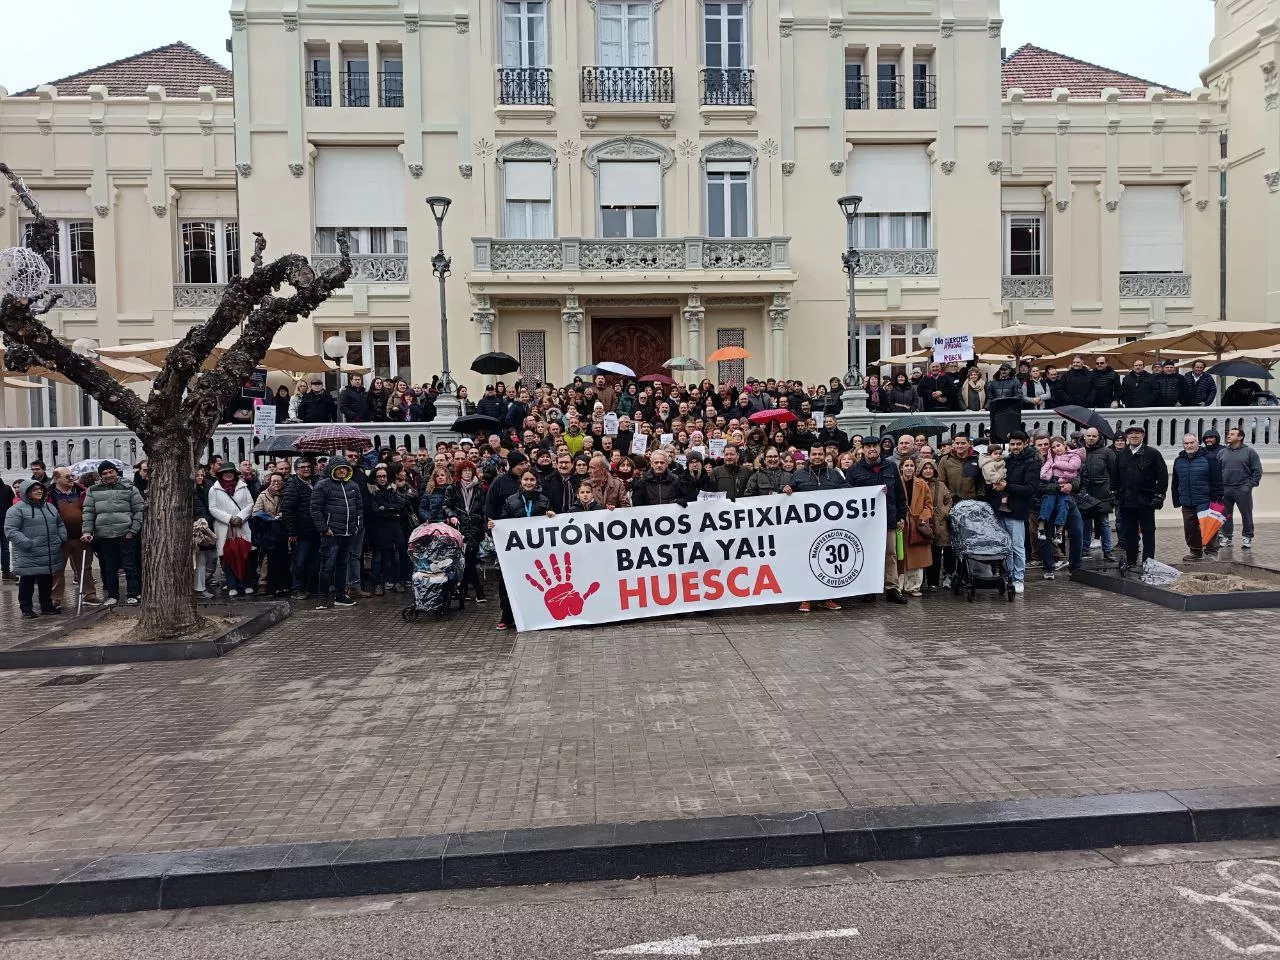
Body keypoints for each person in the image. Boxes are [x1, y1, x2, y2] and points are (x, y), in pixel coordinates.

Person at [491, 468, 557, 631]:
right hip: (515, 552)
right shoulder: (510, 500)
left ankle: (536, 616)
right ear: (521, 481)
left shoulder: (544, 500)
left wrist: (552, 517)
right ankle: (507, 617)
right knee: (508, 583)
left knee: (536, 583)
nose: (529, 483)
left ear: (537, 482)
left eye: (532, 480)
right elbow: (503, 522)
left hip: (536, 552)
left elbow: (553, 525)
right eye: (526, 480)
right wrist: (494, 526)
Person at [846, 440, 908, 604]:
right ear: (863, 450)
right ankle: (869, 588)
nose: (872, 449)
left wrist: (901, 515)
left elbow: (900, 493)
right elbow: (847, 496)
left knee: (890, 554)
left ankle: (892, 588)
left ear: (879, 448)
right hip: (865, 523)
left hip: (888, 519)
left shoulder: (891, 467)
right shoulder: (854, 470)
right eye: (868, 447)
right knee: (867, 555)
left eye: (874, 446)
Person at [81, 461, 144, 606]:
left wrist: (133, 530)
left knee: (130, 566)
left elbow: (138, 511)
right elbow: (89, 512)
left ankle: (133, 594)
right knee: (109, 568)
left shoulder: (129, 488)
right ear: (101, 475)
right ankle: (112, 595)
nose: (108, 475)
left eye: (111, 472)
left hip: (125, 534)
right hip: (104, 535)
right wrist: (87, 531)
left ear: (116, 472)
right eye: (104, 473)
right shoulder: (93, 490)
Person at [4, 479, 67, 619]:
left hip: (49, 552)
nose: (39, 491)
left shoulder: (50, 507)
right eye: (35, 490)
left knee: (46, 581)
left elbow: (59, 523)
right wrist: (27, 543)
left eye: (40, 489)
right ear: (26, 493)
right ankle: (26, 609)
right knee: (27, 583)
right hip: (28, 553)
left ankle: (46, 606)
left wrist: (61, 537)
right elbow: (11, 530)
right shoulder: (16, 509)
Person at [310, 458, 365, 609]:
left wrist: (358, 526)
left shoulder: (353, 485)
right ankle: (323, 598)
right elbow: (315, 509)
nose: (342, 471)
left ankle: (340, 596)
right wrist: (324, 528)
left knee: (342, 565)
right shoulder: (322, 485)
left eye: (345, 468)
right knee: (327, 566)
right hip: (331, 533)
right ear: (333, 469)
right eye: (339, 468)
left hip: (349, 532)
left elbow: (359, 507)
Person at [1115, 425, 1168, 575]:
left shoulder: (1153, 454)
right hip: (1127, 502)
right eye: (1130, 434)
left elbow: (1163, 476)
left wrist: (1159, 496)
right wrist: (1116, 496)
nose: (1134, 436)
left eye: (1137, 433)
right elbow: (1116, 478)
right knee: (1130, 533)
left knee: (1148, 532)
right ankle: (1131, 561)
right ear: (1127, 437)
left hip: (1146, 501)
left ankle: (1148, 561)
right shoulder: (1122, 455)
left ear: (1143, 436)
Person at [47, 467, 99, 604]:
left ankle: (90, 594)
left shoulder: (83, 492)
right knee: (57, 569)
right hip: (59, 539)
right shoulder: (49, 494)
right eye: (67, 476)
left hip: (81, 537)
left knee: (85, 567)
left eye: (71, 476)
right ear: (56, 479)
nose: (71, 478)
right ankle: (56, 598)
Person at [1172, 433, 1224, 561]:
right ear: (1183, 444)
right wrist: (1177, 499)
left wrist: (1216, 498)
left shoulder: (1209, 458)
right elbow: (1175, 482)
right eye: (1186, 443)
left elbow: (1217, 480)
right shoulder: (1179, 461)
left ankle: (1211, 552)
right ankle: (1195, 552)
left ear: (1197, 443)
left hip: (1205, 500)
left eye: (1192, 443)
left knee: (1209, 528)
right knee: (1190, 529)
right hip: (1187, 501)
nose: (1189, 445)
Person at [208, 463, 256, 597]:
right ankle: (232, 585)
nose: (228, 474)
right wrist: (229, 519)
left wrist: (240, 517)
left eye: (230, 472)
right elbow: (212, 508)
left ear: (234, 473)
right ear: (221, 474)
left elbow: (250, 504)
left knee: (244, 555)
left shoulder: (243, 487)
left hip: (241, 526)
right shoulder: (214, 489)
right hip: (225, 527)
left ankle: (247, 584)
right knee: (228, 557)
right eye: (225, 472)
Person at [444, 462, 488, 603]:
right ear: (460, 472)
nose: (468, 473)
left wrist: (482, 522)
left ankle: (466, 589)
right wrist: (452, 515)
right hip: (460, 527)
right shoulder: (452, 488)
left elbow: (484, 507)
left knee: (469, 559)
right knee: (467, 560)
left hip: (475, 527)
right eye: (465, 471)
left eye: (470, 470)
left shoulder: (479, 488)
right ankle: (474, 590)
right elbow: (446, 505)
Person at [1218, 425, 1262, 549]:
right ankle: (1227, 537)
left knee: (1246, 514)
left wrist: (1249, 485)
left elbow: (1257, 471)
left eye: (1232, 434)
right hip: (1225, 489)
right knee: (1225, 515)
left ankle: (1247, 537)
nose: (1228, 436)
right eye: (1228, 434)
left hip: (1242, 488)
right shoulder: (1222, 452)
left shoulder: (1249, 452)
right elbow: (1217, 471)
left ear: (1240, 437)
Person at [366, 464, 407, 595]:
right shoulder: (372, 492)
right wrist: (391, 510)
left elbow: (400, 506)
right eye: (379, 476)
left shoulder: (392, 490)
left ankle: (396, 582)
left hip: (394, 529)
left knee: (395, 558)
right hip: (379, 530)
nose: (382, 479)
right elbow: (375, 511)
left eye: (384, 476)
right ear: (375, 478)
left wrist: (386, 508)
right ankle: (378, 583)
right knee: (378, 559)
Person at [1037, 437, 1086, 543]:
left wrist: (1057, 465)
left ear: (1064, 444)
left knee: (1063, 505)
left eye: (1058, 445)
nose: (1056, 449)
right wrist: (1044, 475)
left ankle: (1059, 531)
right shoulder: (1051, 457)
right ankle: (1041, 527)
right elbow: (1046, 468)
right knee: (1048, 503)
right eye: (1053, 447)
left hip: (1065, 482)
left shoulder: (1073, 455)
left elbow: (1073, 468)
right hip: (1053, 483)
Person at [283, 458, 320, 599]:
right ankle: (297, 589)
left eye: (308, 466)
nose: (306, 469)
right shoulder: (293, 486)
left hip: (314, 529)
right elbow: (288, 510)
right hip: (300, 531)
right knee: (299, 561)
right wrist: (292, 532)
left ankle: (311, 587)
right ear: (296, 469)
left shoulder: (314, 483)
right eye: (302, 467)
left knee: (314, 561)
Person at [1080, 428, 1118, 561]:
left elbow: (1114, 473)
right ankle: (1084, 550)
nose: (1090, 438)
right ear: (1084, 437)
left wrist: (1112, 492)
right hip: (1084, 493)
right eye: (1088, 436)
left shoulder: (1107, 452)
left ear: (1098, 437)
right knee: (1085, 523)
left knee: (1104, 522)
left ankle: (1108, 551)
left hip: (1103, 493)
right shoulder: (1079, 452)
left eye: (1093, 436)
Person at [251, 472, 291, 597]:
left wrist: (283, 516)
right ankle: (269, 587)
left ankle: (284, 586)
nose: (276, 483)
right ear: (269, 482)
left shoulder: (288, 494)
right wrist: (271, 518)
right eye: (273, 481)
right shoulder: (263, 495)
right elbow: (256, 512)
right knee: (270, 559)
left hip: (285, 531)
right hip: (269, 532)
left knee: (284, 559)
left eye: (279, 480)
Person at [898, 458, 933, 598]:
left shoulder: (922, 483)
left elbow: (928, 505)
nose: (909, 468)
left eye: (911, 465)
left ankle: (913, 586)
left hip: (917, 524)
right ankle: (898, 586)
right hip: (901, 523)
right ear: (901, 468)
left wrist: (922, 518)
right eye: (906, 465)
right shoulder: (896, 482)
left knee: (917, 557)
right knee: (900, 556)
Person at [917, 459, 953, 591]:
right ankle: (920, 582)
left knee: (936, 554)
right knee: (921, 555)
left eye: (930, 468)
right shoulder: (916, 484)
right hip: (922, 522)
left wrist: (943, 512)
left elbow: (948, 500)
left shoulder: (941, 485)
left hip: (938, 523)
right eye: (925, 468)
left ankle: (933, 582)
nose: (927, 470)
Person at [979, 443, 1008, 512]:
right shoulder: (988, 463)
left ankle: (1003, 505)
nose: (998, 455)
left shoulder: (999, 461)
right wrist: (999, 479)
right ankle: (1003, 505)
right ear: (989, 455)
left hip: (999, 480)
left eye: (1000, 454)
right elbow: (989, 474)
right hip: (993, 482)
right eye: (995, 454)